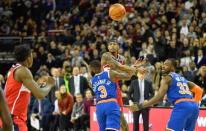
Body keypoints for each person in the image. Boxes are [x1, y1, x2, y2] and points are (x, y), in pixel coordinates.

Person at [132, 59, 203, 131]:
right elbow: (199, 90)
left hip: (182, 106)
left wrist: (141, 106)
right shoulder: (183, 79)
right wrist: (194, 104)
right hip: (194, 108)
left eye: (166, 64)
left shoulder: (166, 78)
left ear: (172, 67)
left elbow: (159, 98)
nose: (163, 66)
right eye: (163, 64)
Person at [3, 44, 55, 131]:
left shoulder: (13, 69)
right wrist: (50, 84)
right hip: (14, 118)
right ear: (28, 57)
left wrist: (40, 85)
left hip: (9, 116)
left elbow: (21, 90)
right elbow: (40, 95)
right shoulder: (23, 70)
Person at [101, 39, 142, 131]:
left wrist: (134, 67)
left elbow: (127, 77)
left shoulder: (122, 59)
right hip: (105, 87)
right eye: (110, 44)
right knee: (106, 118)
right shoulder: (106, 55)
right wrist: (133, 69)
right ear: (108, 47)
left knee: (120, 116)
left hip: (115, 87)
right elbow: (119, 68)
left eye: (114, 44)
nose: (112, 46)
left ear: (118, 47)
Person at [90, 60, 135, 131]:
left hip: (99, 106)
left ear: (91, 69)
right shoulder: (109, 73)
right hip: (111, 104)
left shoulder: (92, 81)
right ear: (101, 66)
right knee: (113, 128)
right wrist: (134, 67)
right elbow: (128, 77)